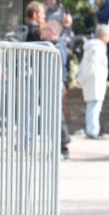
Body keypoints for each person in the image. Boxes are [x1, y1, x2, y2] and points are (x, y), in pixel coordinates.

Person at [40, 20, 71, 159]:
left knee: (56, 116)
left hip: (55, 84)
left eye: (45, 29)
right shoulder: (52, 46)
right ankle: (57, 147)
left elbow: (58, 65)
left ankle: (63, 148)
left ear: (52, 32)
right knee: (51, 116)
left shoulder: (58, 46)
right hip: (49, 84)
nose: (42, 31)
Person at [76, 24, 109, 138]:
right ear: (104, 35)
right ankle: (93, 131)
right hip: (95, 81)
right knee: (94, 107)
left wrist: (81, 78)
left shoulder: (92, 46)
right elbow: (92, 65)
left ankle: (92, 130)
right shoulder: (98, 46)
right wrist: (81, 78)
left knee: (92, 107)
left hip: (92, 81)